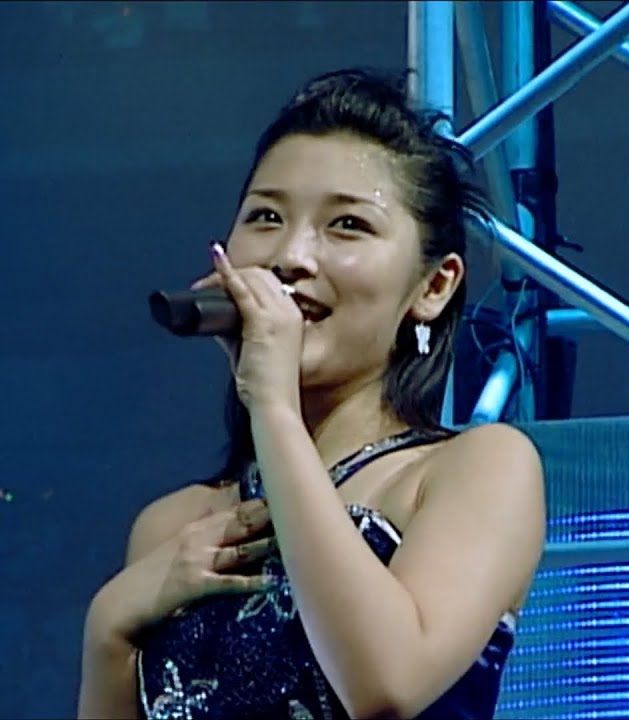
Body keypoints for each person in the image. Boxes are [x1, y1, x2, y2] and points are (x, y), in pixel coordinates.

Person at [77, 68, 546, 720]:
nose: (291, 256)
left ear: (433, 287)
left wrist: (273, 404)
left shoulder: (478, 469)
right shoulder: (174, 524)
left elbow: (385, 684)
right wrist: (107, 627)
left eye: (347, 225)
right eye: (266, 217)